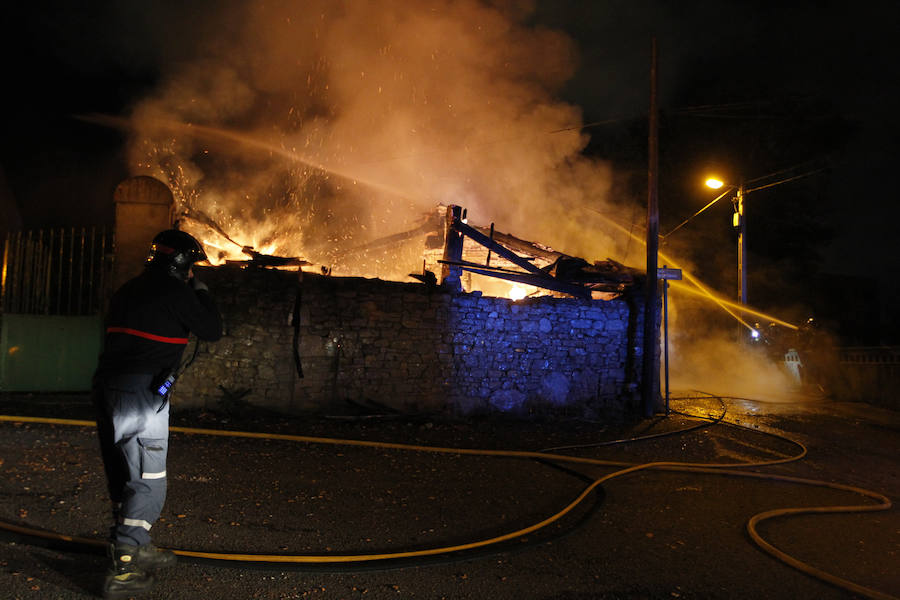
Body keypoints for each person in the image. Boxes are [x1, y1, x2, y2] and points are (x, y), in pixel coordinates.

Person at [92, 229, 222, 599]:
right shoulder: (176, 292)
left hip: (108, 387)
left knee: (123, 473)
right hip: (141, 394)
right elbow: (212, 330)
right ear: (181, 264)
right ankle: (124, 569)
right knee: (149, 478)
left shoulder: (128, 289)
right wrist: (202, 291)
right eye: (191, 266)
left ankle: (136, 542)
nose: (192, 272)